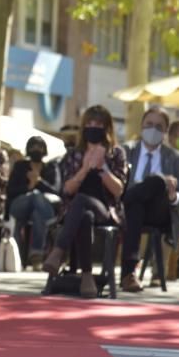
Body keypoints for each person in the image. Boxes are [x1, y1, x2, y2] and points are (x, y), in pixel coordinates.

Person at [45, 105, 128, 299]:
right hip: (75, 211)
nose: (93, 127)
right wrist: (84, 169)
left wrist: (102, 168)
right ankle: (87, 277)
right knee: (84, 215)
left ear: (107, 128)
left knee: (83, 202)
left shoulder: (116, 153)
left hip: (106, 210)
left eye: (98, 124)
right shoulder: (75, 153)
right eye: (89, 124)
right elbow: (66, 190)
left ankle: (58, 252)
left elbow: (118, 191)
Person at [120, 107, 179, 291]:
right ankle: (128, 274)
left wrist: (173, 195)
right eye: (149, 124)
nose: (153, 129)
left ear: (166, 131)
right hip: (129, 209)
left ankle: (128, 272)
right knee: (136, 206)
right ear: (141, 126)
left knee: (158, 182)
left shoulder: (176, 158)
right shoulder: (125, 151)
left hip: (159, 212)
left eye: (159, 126)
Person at [5, 136, 61, 269]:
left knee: (38, 214)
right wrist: (29, 188)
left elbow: (57, 190)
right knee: (35, 196)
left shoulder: (51, 168)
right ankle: (50, 222)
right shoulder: (20, 166)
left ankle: (36, 256)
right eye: (33, 146)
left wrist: (39, 181)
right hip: (19, 205)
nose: (36, 149)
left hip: (42, 207)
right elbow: (10, 191)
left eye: (39, 147)